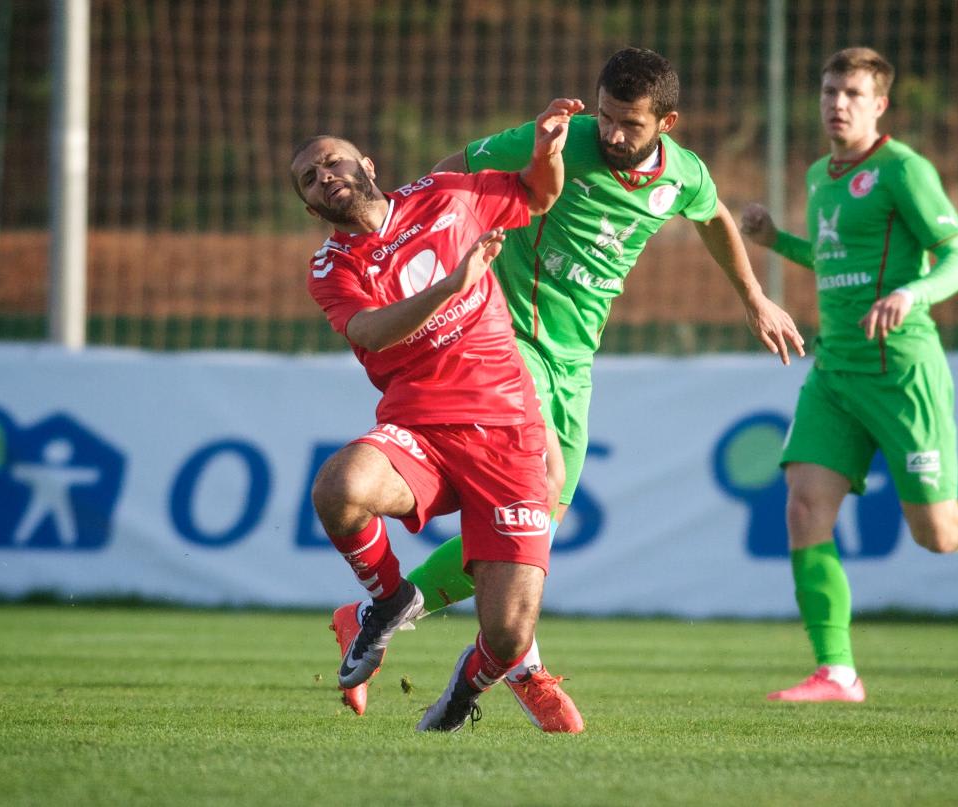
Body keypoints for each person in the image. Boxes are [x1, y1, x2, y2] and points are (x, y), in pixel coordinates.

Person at [328, 47, 807, 729]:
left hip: (574, 361)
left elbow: (713, 217)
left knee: (538, 524)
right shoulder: (559, 139)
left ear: (666, 123)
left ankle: (381, 620)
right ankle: (519, 666)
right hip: (505, 340)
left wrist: (755, 298)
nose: (612, 133)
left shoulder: (684, 175)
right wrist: (419, 242)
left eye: (630, 124)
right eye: (607, 116)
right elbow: (451, 173)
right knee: (540, 486)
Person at [739, 47, 958, 703]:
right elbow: (838, 260)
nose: (837, 103)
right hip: (836, 372)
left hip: (901, 373)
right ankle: (837, 671)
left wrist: (912, 293)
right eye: (828, 91)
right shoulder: (820, 174)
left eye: (853, 93)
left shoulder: (904, 170)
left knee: (940, 535)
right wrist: (776, 242)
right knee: (803, 506)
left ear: (880, 104)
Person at [291, 96, 585, 731]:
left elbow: (538, 195)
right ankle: (388, 600)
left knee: (507, 636)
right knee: (338, 487)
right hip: (421, 428)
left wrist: (547, 152)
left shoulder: (446, 195)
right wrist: (452, 284)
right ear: (312, 208)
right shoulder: (331, 266)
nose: (326, 175)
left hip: (509, 429)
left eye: (333, 161)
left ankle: (463, 691)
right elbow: (370, 332)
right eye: (310, 179)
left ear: (368, 164)